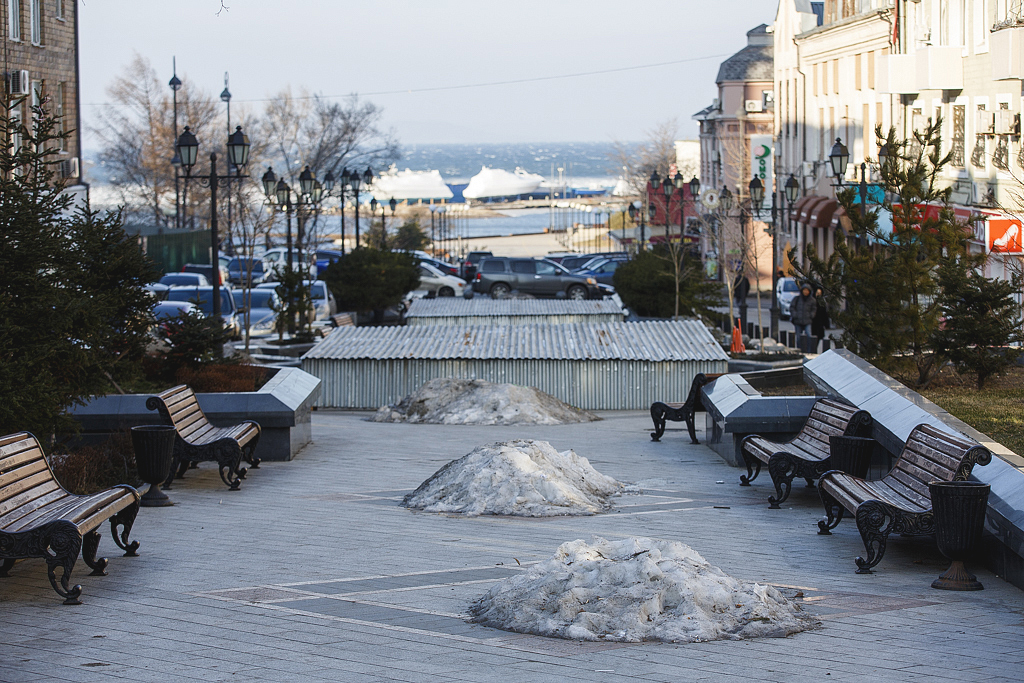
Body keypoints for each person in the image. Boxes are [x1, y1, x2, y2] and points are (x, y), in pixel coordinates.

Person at [790, 283, 817, 351]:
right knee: (798, 337)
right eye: (804, 290)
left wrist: (811, 315)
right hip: (798, 320)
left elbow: (814, 309)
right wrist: (795, 315)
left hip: (807, 321)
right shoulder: (797, 299)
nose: (805, 292)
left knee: (808, 335)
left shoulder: (812, 300)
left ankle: (808, 350)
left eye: (807, 290)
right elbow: (792, 307)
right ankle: (799, 349)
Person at [811, 287, 830, 351]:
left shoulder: (822, 302)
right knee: (813, 337)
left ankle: (814, 349)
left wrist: (826, 324)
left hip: (820, 323)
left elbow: (825, 314)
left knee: (818, 337)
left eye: (819, 293)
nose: (818, 294)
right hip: (813, 323)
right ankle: (813, 350)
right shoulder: (812, 300)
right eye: (817, 293)